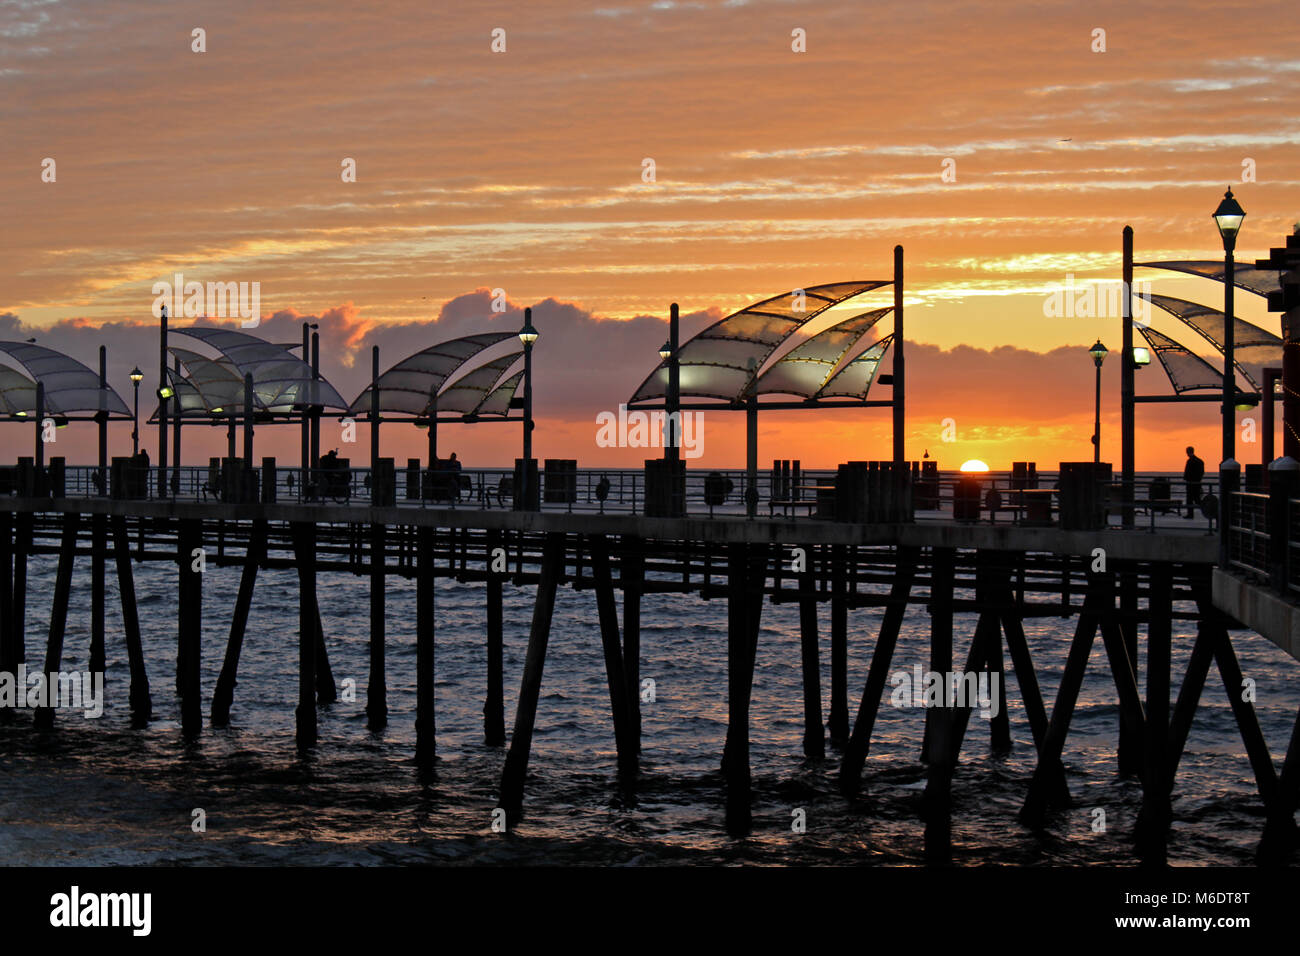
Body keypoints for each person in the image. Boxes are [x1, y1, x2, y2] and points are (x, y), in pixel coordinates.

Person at [1183, 446, 1204, 518]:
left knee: (1190, 500)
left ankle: (1190, 514)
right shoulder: (1200, 461)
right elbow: (1201, 473)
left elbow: (1187, 473)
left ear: (1188, 452)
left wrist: (1186, 478)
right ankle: (1207, 511)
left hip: (1191, 483)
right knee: (1197, 499)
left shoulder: (1190, 461)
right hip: (1197, 483)